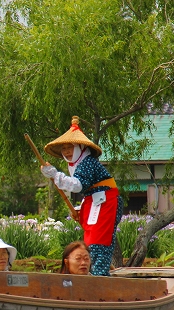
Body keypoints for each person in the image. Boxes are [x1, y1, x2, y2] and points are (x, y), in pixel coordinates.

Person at [41, 116, 123, 276]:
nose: (66, 151)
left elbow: (78, 185)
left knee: (99, 241)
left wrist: (56, 175)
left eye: (70, 147)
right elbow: (86, 189)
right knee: (91, 241)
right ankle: (94, 274)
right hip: (96, 202)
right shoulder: (76, 164)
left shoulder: (87, 162)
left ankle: (99, 275)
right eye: (63, 148)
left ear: (80, 147)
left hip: (106, 202)